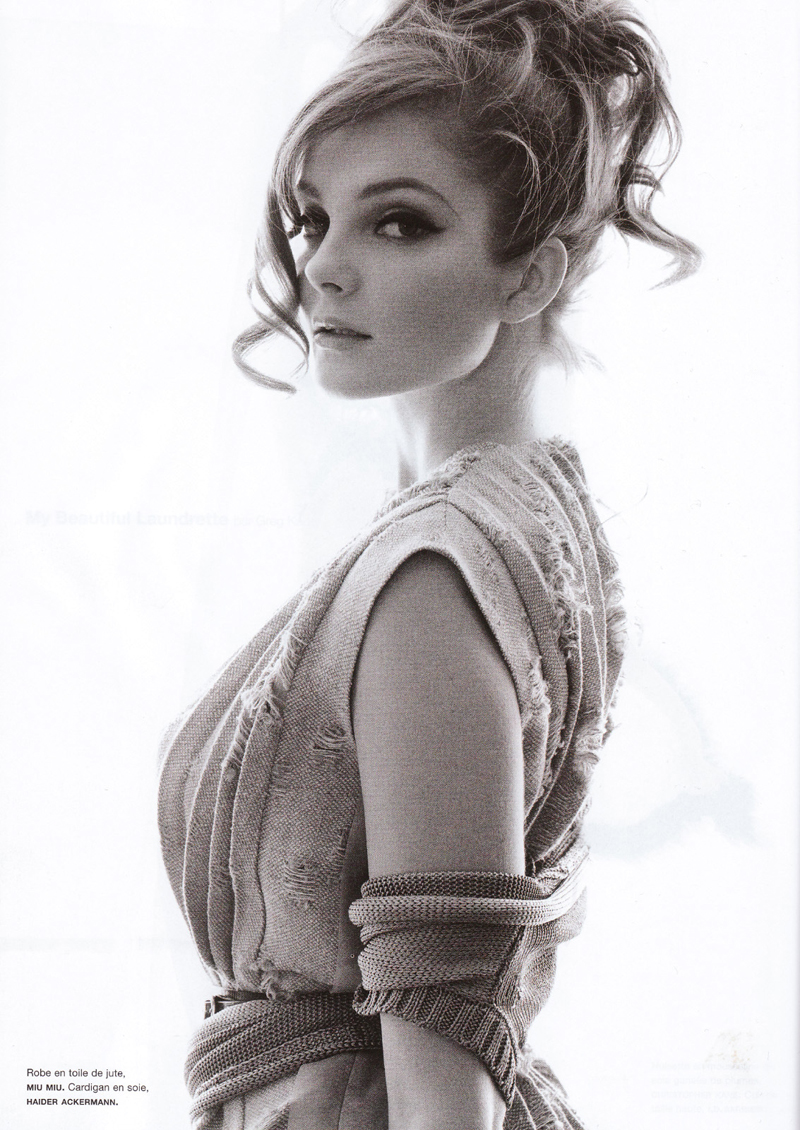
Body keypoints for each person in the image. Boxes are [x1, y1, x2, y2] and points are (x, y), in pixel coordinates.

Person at [158, 1, 698, 1127]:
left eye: (399, 223)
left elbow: (443, 1069)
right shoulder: (532, 514)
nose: (322, 268)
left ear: (530, 274)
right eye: (314, 218)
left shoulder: (434, 575)